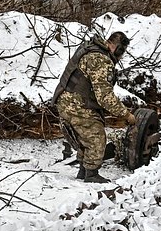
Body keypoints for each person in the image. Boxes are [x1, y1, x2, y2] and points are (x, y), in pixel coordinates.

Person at [53, 31, 136, 182]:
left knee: (87, 135)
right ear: (117, 48)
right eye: (121, 52)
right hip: (75, 104)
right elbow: (104, 97)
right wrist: (126, 115)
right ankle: (91, 174)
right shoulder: (100, 60)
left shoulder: (92, 48)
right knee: (96, 136)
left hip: (68, 100)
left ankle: (83, 171)